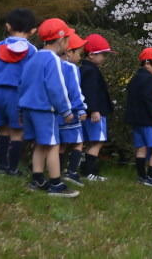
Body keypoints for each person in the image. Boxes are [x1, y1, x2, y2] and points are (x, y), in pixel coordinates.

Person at [18, 18, 78, 198]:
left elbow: (22, 84)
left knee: (39, 144)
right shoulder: (53, 60)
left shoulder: (34, 57)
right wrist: (66, 110)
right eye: (67, 38)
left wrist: (21, 110)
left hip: (28, 107)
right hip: (45, 109)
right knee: (53, 144)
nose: (68, 43)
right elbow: (56, 87)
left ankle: (37, 179)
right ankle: (56, 183)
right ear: (60, 40)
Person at [0, 8, 37, 176]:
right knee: (17, 132)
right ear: (33, 31)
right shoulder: (32, 51)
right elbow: (33, 76)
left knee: (3, 130)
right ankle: (13, 168)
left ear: (8, 27)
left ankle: (2, 167)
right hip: (17, 95)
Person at [125, 47, 152, 188]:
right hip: (149, 120)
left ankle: (141, 176)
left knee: (141, 148)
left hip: (135, 119)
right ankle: (151, 176)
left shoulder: (134, 78)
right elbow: (150, 99)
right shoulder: (149, 79)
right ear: (147, 63)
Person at [79, 34, 115, 181]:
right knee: (97, 141)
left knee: (90, 141)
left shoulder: (83, 69)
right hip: (94, 113)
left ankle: (86, 170)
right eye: (103, 54)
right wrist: (94, 110)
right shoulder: (91, 71)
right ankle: (90, 172)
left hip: (87, 112)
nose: (104, 58)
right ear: (92, 54)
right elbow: (91, 91)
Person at [58, 32, 88, 187]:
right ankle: (71, 172)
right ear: (69, 52)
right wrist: (81, 109)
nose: (80, 57)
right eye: (79, 53)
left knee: (61, 143)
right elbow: (75, 90)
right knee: (78, 142)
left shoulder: (54, 64)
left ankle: (57, 170)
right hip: (71, 111)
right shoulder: (71, 68)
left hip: (56, 112)